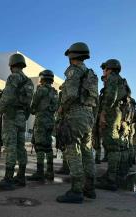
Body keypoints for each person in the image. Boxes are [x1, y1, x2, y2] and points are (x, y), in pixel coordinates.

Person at [56, 42, 98, 203]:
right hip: (88, 115)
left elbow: (71, 94)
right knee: (87, 151)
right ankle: (90, 188)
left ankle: (76, 190)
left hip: (75, 114)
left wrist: (61, 109)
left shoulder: (74, 71)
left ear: (72, 56)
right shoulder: (90, 74)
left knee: (72, 150)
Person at [0, 53, 34, 190]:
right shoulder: (29, 82)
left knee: (10, 147)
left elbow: (7, 97)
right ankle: (21, 176)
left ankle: (8, 179)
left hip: (11, 116)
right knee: (20, 147)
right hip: (22, 118)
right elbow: (28, 103)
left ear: (11, 65)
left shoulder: (13, 77)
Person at [96, 59, 127, 191]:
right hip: (114, 112)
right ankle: (110, 175)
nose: (104, 71)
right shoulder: (119, 79)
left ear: (110, 69)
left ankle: (111, 180)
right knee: (110, 145)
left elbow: (111, 97)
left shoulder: (113, 78)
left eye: (105, 69)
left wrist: (103, 113)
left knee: (112, 146)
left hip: (110, 112)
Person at [27, 70, 58, 182]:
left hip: (41, 120)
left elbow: (33, 106)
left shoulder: (41, 90)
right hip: (50, 120)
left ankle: (40, 172)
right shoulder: (55, 92)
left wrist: (32, 110)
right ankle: (50, 172)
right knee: (48, 147)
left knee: (39, 146)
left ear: (43, 79)